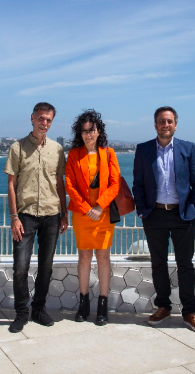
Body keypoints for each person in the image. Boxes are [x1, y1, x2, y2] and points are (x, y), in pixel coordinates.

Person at [132, 106, 195, 333]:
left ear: (175, 124)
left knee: (185, 265)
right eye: (162, 121)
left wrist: (192, 209)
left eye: (170, 121)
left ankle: (189, 311)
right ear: (155, 125)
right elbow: (138, 184)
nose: (166, 125)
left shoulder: (187, 148)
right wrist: (143, 210)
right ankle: (163, 306)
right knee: (158, 263)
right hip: (154, 214)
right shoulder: (143, 149)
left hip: (182, 214)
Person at [4, 102, 67, 333]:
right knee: (20, 267)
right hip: (25, 216)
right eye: (41, 118)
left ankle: (38, 309)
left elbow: (60, 183)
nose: (44, 123)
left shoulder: (57, 150)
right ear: (32, 118)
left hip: (51, 214)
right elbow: (11, 185)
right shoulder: (17, 148)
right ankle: (22, 313)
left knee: (46, 267)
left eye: (49, 120)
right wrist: (14, 217)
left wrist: (64, 214)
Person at [65, 110, 121, 326]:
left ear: (99, 132)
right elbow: (70, 184)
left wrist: (99, 206)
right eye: (85, 131)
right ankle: (83, 302)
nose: (88, 134)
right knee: (84, 257)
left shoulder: (109, 153)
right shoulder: (73, 154)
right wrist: (87, 208)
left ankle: (103, 304)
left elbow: (115, 184)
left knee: (103, 257)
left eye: (92, 130)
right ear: (80, 133)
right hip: (82, 214)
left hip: (103, 213)